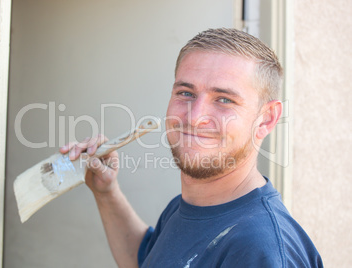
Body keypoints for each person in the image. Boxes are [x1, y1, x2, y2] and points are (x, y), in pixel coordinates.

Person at [60, 28, 323, 267]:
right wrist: (106, 192)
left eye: (224, 99)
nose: (195, 117)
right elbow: (147, 261)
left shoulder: (259, 250)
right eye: (186, 93)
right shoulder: (186, 206)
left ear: (266, 119)